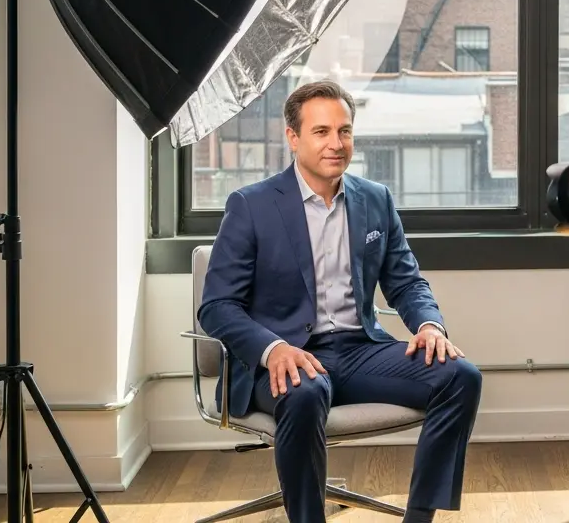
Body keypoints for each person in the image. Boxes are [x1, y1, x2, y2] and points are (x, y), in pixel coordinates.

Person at [199, 80, 482, 523]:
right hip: (284, 358)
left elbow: (406, 283)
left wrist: (429, 326)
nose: (336, 144)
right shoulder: (250, 206)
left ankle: (421, 517)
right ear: (293, 138)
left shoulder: (375, 200)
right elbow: (216, 307)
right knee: (305, 392)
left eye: (345, 131)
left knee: (461, 376)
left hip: (359, 350)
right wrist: (273, 349)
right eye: (322, 132)